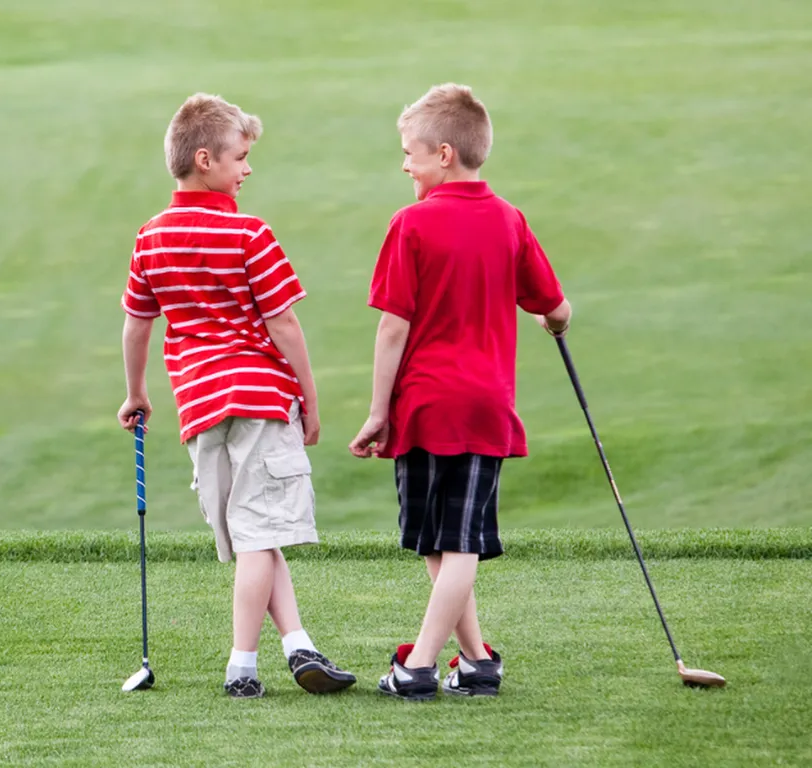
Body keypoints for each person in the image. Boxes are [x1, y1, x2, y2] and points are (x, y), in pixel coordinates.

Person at [119, 93, 356, 699]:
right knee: (258, 536)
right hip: (259, 396)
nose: (248, 169)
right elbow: (283, 324)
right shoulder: (250, 232)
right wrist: (311, 400)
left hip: (199, 405)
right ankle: (242, 667)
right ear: (205, 160)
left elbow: (138, 324)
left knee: (257, 532)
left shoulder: (150, 237)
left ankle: (299, 644)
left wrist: (137, 394)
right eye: (240, 158)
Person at [349, 83, 572, 701]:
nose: (404, 164)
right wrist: (555, 322)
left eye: (410, 153)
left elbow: (393, 327)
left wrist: (376, 411)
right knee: (446, 538)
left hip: (422, 403)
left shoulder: (410, 223)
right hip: (484, 404)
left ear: (444, 154)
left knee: (452, 541)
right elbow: (554, 306)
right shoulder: (509, 220)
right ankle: (476, 661)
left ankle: (419, 665)